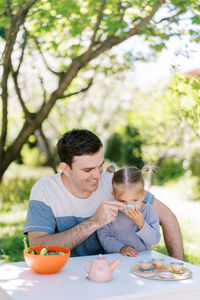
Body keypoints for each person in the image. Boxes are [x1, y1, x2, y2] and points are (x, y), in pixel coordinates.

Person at [24, 129, 184, 259]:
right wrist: (94, 222)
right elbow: (38, 246)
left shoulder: (115, 184)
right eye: (88, 170)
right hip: (67, 275)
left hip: (117, 271)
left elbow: (167, 217)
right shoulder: (45, 190)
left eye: (100, 166)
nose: (98, 176)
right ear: (65, 168)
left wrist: (178, 268)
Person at [97, 166, 161, 256]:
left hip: (142, 260)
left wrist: (142, 224)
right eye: (123, 201)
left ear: (143, 195)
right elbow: (104, 236)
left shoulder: (148, 210)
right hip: (116, 258)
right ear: (114, 196)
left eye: (134, 200)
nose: (129, 206)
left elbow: (155, 240)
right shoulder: (110, 211)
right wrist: (120, 248)